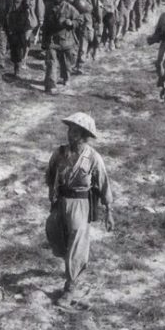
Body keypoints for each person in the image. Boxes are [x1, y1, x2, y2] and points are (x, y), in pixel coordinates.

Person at [45, 112, 114, 308]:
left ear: (83, 135)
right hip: (61, 202)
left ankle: (70, 285)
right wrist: (52, 190)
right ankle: (69, 263)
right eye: (69, 130)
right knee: (54, 232)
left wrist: (109, 211)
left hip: (80, 203)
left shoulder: (93, 157)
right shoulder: (59, 153)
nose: (70, 134)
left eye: (75, 132)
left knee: (77, 242)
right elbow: (50, 173)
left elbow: (104, 184)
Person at [42, 0, 82, 94]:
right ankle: (51, 85)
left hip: (66, 40)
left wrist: (71, 23)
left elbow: (79, 20)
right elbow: (45, 25)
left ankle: (66, 77)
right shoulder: (48, 7)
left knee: (67, 63)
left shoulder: (70, 8)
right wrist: (44, 41)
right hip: (52, 40)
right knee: (51, 63)